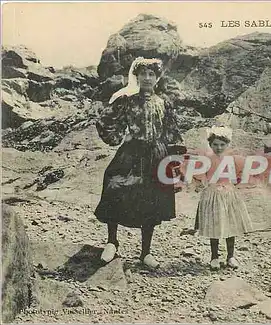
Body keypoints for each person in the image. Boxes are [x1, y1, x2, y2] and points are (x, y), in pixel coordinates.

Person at [94, 56, 186, 268]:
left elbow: (172, 133)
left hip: (156, 155)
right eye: (143, 73)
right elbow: (105, 121)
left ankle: (145, 253)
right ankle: (112, 242)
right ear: (136, 77)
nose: (147, 78)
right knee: (114, 187)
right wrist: (121, 136)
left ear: (157, 78)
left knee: (151, 200)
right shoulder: (127, 100)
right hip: (131, 154)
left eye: (151, 74)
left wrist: (174, 162)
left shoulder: (164, 104)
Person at [193, 126, 253, 270]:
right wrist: (201, 184)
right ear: (210, 144)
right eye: (215, 144)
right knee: (215, 225)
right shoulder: (207, 159)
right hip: (213, 194)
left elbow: (239, 175)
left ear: (227, 145)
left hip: (228, 194)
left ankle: (230, 256)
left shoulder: (232, 159)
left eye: (222, 145)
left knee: (230, 225)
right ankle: (214, 257)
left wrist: (235, 183)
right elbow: (200, 176)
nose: (219, 147)